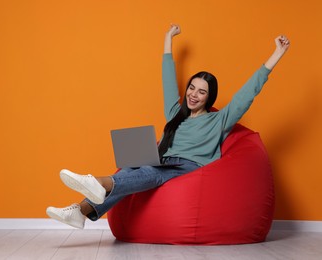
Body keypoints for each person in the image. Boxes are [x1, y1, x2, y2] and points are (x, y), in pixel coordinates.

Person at [46, 24, 290, 229]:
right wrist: (167, 40)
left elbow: (248, 93)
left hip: (188, 165)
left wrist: (277, 54)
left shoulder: (219, 120)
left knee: (149, 174)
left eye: (202, 92)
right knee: (129, 170)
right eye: (192, 88)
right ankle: (80, 211)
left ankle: (97, 183)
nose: (194, 94)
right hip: (164, 159)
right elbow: (167, 80)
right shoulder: (175, 114)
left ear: (210, 97)